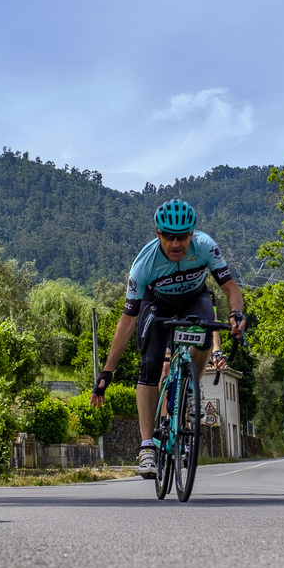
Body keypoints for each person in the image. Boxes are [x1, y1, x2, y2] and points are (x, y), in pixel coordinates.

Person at [90, 199, 245, 477]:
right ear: (157, 234)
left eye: (183, 236)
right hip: (157, 304)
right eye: (169, 237)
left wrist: (236, 314)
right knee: (150, 366)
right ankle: (147, 446)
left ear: (192, 234)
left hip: (193, 299)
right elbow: (127, 322)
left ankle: (191, 388)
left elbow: (230, 287)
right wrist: (107, 372)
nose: (177, 244)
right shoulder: (144, 264)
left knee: (206, 336)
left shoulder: (206, 246)